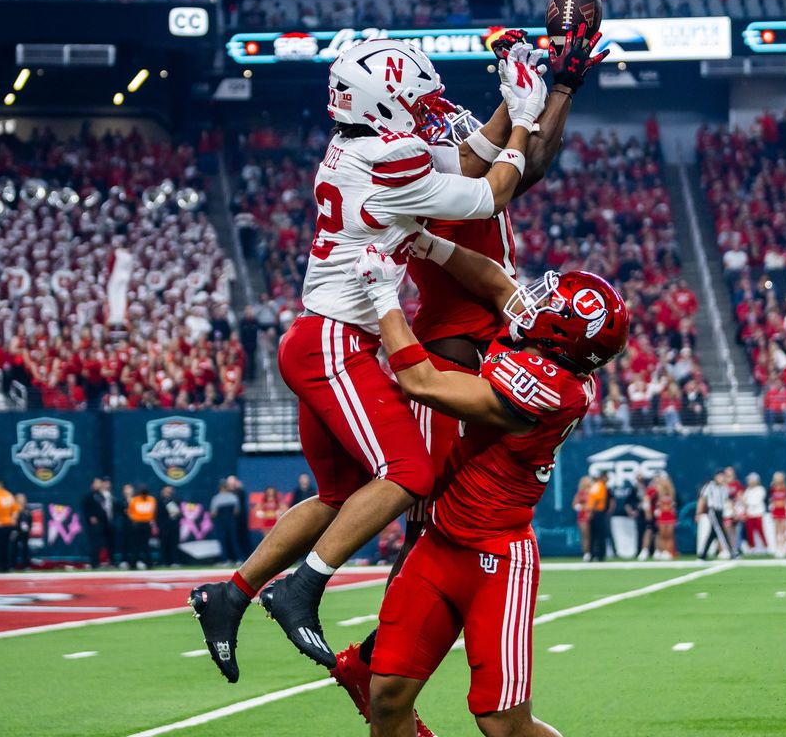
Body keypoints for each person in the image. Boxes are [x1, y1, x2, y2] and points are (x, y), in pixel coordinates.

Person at [191, 36, 550, 672]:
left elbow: (462, 168)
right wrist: (524, 118)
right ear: (384, 104)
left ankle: (231, 593)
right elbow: (488, 192)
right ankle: (302, 588)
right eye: (414, 99)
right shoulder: (393, 157)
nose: (428, 109)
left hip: (316, 335)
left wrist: (507, 108)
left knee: (340, 493)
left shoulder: (360, 147)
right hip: (335, 342)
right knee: (410, 473)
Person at [345, 234, 629, 737]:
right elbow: (496, 281)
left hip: (496, 558)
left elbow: (423, 383)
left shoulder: (547, 391)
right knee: (386, 695)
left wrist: (383, 295)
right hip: (439, 542)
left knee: (502, 724)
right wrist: (428, 244)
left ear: (560, 334)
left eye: (552, 305)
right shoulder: (555, 349)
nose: (537, 301)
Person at [697, 470, 734, 560]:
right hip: (713, 511)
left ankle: (703, 554)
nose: (721, 479)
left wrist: (733, 511)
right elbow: (702, 499)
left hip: (720, 511)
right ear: (715, 477)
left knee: (713, 533)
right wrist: (698, 512)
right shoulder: (709, 486)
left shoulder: (724, 488)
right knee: (721, 530)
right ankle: (731, 552)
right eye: (719, 476)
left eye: (722, 477)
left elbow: (727, 500)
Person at [0, 480, 20, 572]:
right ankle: (6, 566)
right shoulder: (9, 495)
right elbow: (15, 510)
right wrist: (13, 519)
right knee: (6, 546)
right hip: (8, 524)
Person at [210, 480, 242, 564]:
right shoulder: (233, 497)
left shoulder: (216, 498)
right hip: (231, 521)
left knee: (224, 540)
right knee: (233, 540)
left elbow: (214, 513)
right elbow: (237, 511)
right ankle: (237, 559)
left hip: (222, 522)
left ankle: (227, 559)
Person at [81, 477, 110, 568]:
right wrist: (90, 516)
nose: (98, 485)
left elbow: (104, 508)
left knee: (100, 543)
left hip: (102, 523)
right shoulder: (88, 496)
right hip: (93, 525)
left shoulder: (101, 495)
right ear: (92, 484)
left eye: (99, 483)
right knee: (93, 543)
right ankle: (93, 562)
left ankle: (98, 562)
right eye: (96, 483)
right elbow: (85, 508)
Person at [127, 485, 157, 569]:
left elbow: (153, 512)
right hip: (138, 524)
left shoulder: (151, 499)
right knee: (136, 545)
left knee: (145, 545)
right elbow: (130, 512)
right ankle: (134, 564)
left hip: (145, 524)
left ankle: (148, 564)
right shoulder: (136, 500)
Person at [742, 473, 768, 555]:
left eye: (751, 480)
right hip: (750, 514)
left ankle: (765, 547)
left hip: (758, 514)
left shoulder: (761, 489)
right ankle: (752, 547)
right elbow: (743, 501)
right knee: (750, 532)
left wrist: (747, 502)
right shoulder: (747, 490)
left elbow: (756, 501)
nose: (749, 482)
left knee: (760, 531)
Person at [653, 475, 678, 559]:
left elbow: (677, 504)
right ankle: (662, 551)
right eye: (663, 481)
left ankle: (669, 551)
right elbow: (653, 503)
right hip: (662, 516)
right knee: (662, 535)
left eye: (666, 481)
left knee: (669, 535)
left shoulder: (672, 492)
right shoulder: (657, 492)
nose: (665, 483)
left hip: (670, 516)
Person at [156, 486, 181, 566]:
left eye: (170, 492)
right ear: (162, 492)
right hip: (163, 527)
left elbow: (179, 514)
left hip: (173, 527)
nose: (168, 493)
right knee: (163, 545)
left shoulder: (176, 501)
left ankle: (174, 561)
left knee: (173, 544)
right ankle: (163, 561)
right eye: (166, 491)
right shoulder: (159, 502)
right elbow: (157, 515)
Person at [768, 472, 786, 558]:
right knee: (776, 530)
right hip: (776, 511)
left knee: (783, 530)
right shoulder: (772, 488)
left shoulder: (785, 488)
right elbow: (770, 499)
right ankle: (777, 548)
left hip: (783, 510)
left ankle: (783, 548)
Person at [571, 477, 592, 561]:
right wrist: (582, 507)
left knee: (593, 536)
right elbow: (574, 505)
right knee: (585, 535)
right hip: (583, 517)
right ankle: (586, 553)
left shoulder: (592, 492)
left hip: (592, 516)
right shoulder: (580, 493)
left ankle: (593, 552)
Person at [116, 483, 135, 569]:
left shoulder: (136, 500)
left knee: (135, 544)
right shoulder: (120, 501)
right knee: (125, 544)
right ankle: (124, 561)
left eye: (129, 489)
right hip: (125, 525)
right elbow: (119, 512)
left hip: (135, 526)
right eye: (126, 489)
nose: (128, 491)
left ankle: (135, 561)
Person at [13, 493, 32, 570]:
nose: (22, 501)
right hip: (16, 530)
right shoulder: (14, 509)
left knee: (25, 548)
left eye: (23, 499)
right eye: (20, 499)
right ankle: (12, 564)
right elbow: (13, 520)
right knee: (13, 548)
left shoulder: (27, 509)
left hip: (25, 531)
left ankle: (26, 565)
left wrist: (29, 528)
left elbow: (30, 520)